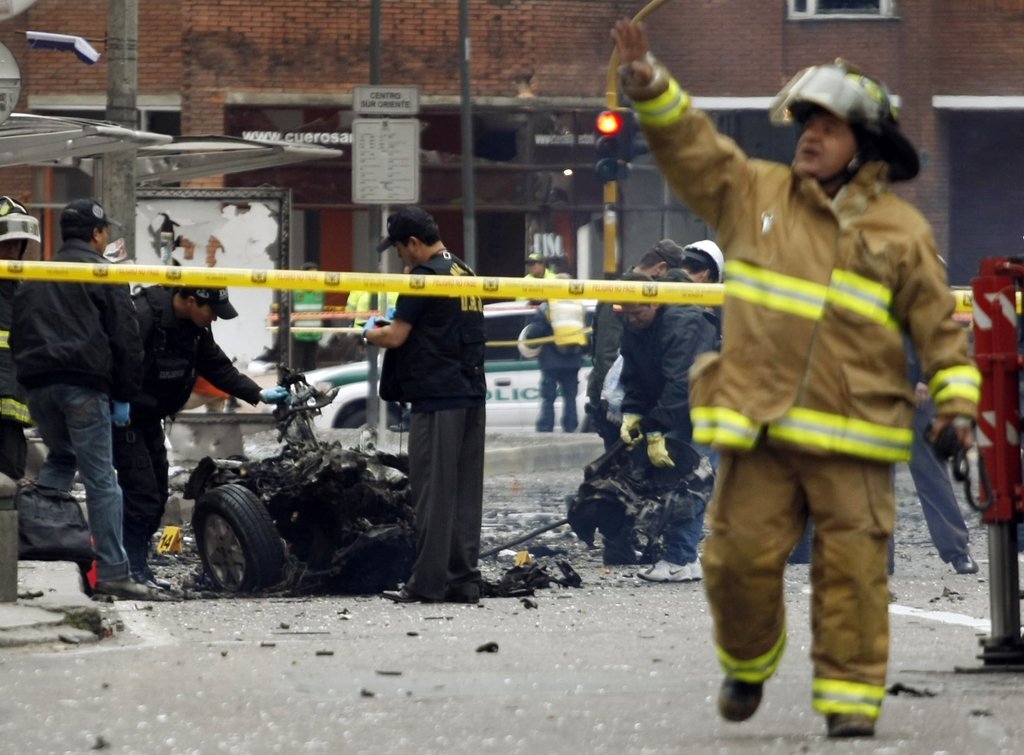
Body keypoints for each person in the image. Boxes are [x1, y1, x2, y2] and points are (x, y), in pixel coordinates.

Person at [612, 21, 980, 739]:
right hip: (761, 425)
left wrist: (956, 404)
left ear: (865, 144)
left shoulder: (901, 232)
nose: (810, 136)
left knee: (853, 573)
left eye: (829, 127)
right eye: (807, 123)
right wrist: (650, 86)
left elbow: (940, 327)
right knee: (736, 560)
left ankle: (850, 702)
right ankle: (749, 661)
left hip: (856, 436)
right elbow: (696, 150)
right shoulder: (756, 192)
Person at [10, 198, 162, 600]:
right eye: (105, 230)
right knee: (102, 481)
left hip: (39, 388)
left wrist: (30, 383)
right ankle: (113, 571)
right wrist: (125, 395)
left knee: (62, 458)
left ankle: (40, 539)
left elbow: (19, 333)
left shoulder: (36, 275)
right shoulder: (103, 272)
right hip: (82, 386)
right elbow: (126, 338)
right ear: (96, 234)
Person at [115, 285, 290, 588]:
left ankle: (137, 566)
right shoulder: (143, 316)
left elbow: (218, 368)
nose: (214, 318)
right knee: (141, 495)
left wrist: (259, 393)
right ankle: (129, 570)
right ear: (190, 301)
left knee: (157, 494)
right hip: (124, 418)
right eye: (211, 311)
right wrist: (117, 400)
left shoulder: (195, 329)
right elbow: (116, 358)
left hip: (150, 417)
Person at [365, 206, 486, 604]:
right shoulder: (463, 271)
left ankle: (427, 584)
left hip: (437, 399)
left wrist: (369, 332)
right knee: (464, 494)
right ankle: (462, 580)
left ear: (414, 243)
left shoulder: (424, 277)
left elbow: (395, 337)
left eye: (400, 248)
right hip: (471, 395)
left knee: (432, 493)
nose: (400, 256)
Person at [586, 239, 723, 449]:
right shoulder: (635, 312)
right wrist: (632, 411)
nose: (632, 319)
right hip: (664, 411)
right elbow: (632, 370)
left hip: (689, 415)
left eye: (637, 313)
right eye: (628, 314)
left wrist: (654, 426)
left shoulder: (683, 323)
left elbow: (679, 382)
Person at [0, 197, 40, 480]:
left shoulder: (23, 289)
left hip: (12, 407)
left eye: (18, 244)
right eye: (6, 243)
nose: (13, 250)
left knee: (10, 480)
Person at [521, 274, 587, 433]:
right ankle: (570, 428)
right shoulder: (579, 306)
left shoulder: (547, 306)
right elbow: (586, 334)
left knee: (548, 398)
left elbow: (534, 333)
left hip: (551, 361)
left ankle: (546, 428)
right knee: (570, 398)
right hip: (573, 361)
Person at [292, 262, 324, 372]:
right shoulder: (296, 291)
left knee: (311, 368)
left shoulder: (319, 291)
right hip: (299, 335)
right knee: (297, 368)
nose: (314, 278)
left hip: (314, 335)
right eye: (311, 275)